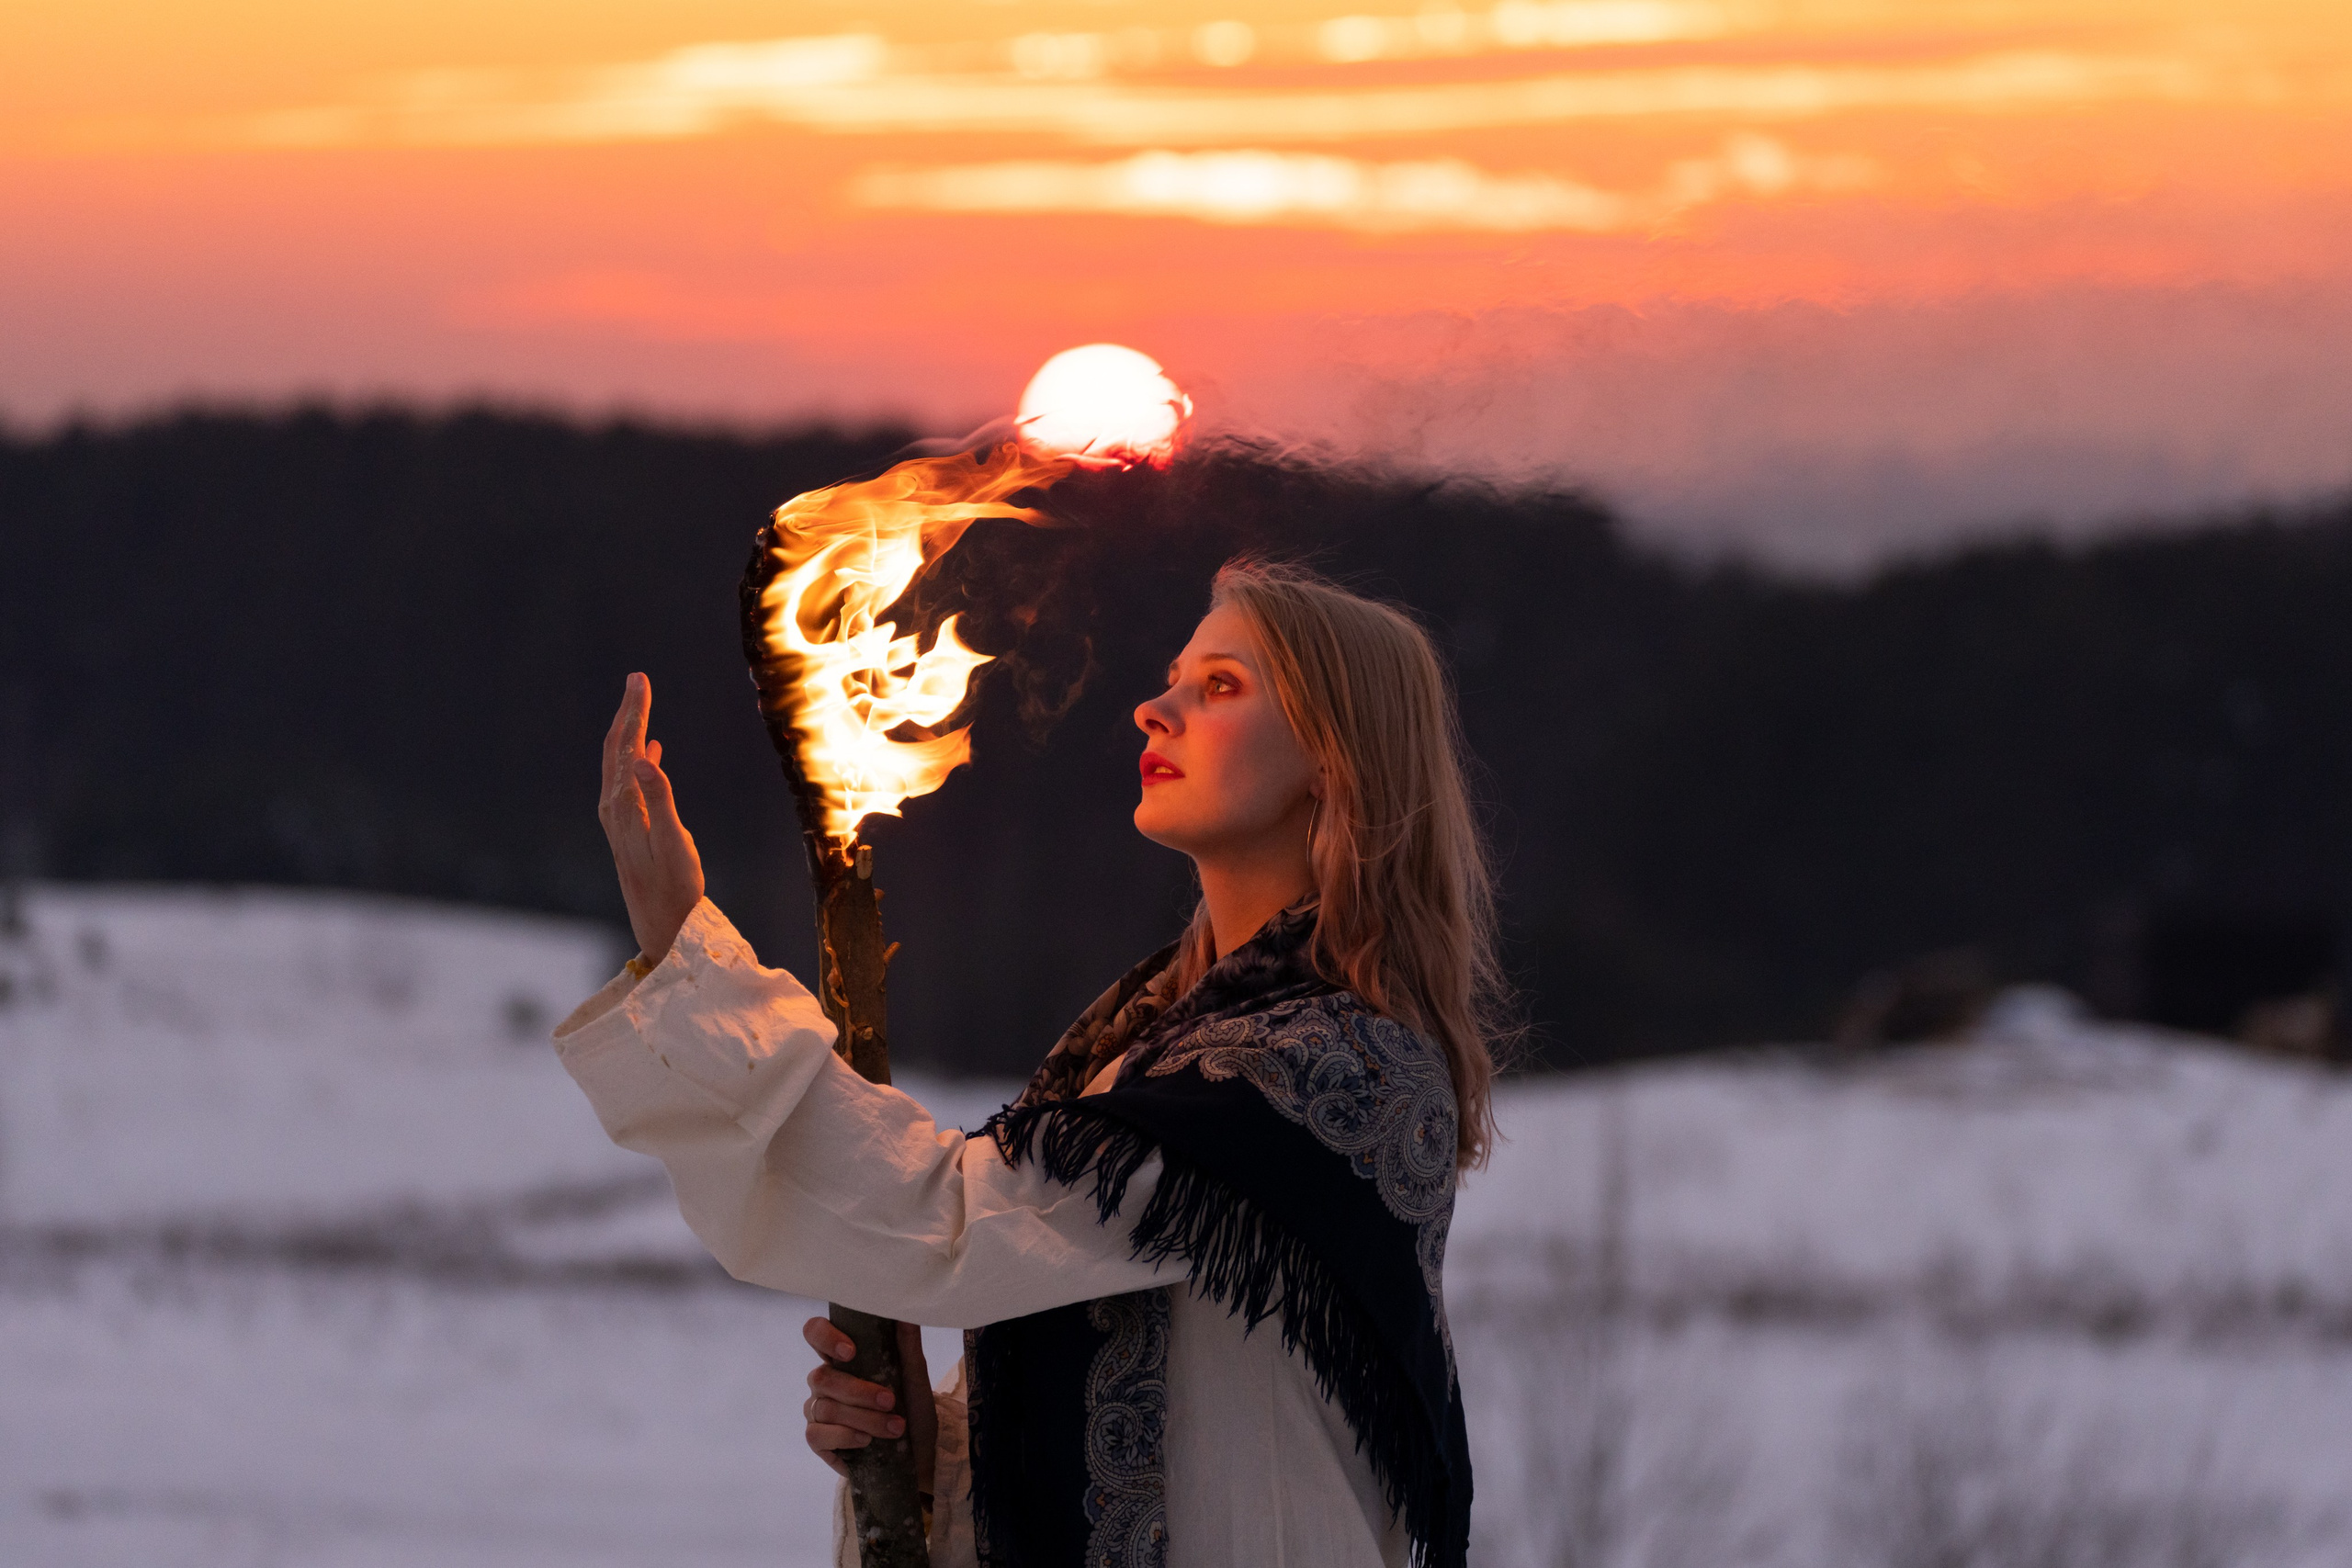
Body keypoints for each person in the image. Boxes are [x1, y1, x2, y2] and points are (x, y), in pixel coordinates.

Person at [554, 558, 1507, 1568]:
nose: (1153, 708)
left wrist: (686, 955)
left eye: (1219, 685)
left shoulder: (1324, 1073)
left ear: (1334, 760)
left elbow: (946, 1225)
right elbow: (1173, 1412)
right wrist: (937, 1459)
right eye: (1173, 677)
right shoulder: (1137, 1055)